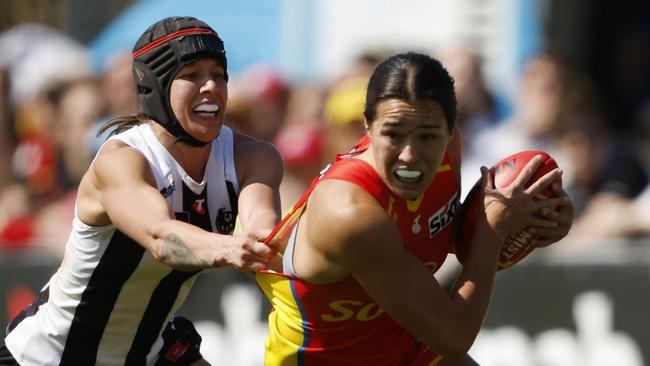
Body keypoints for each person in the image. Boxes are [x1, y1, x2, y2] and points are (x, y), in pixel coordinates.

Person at [255, 52, 573, 365]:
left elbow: (438, 236)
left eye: (427, 136)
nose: (409, 154)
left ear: (451, 130)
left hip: (402, 344)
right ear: (368, 125)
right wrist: (493, 230)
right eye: (393, 134)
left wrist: (534, 219)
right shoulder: (348, 211)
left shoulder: (449, 152)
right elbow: (453, 337)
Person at [0, 16, 283, 366]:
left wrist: (265, 242)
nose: (210, 86)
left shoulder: (253, 157)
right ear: (155, 86)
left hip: (148, 351)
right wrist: (233, 247)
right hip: (51, 356)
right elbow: (161, 239)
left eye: (219, 74)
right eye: (192, 74)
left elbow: (263, 228)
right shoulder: (121, 161)